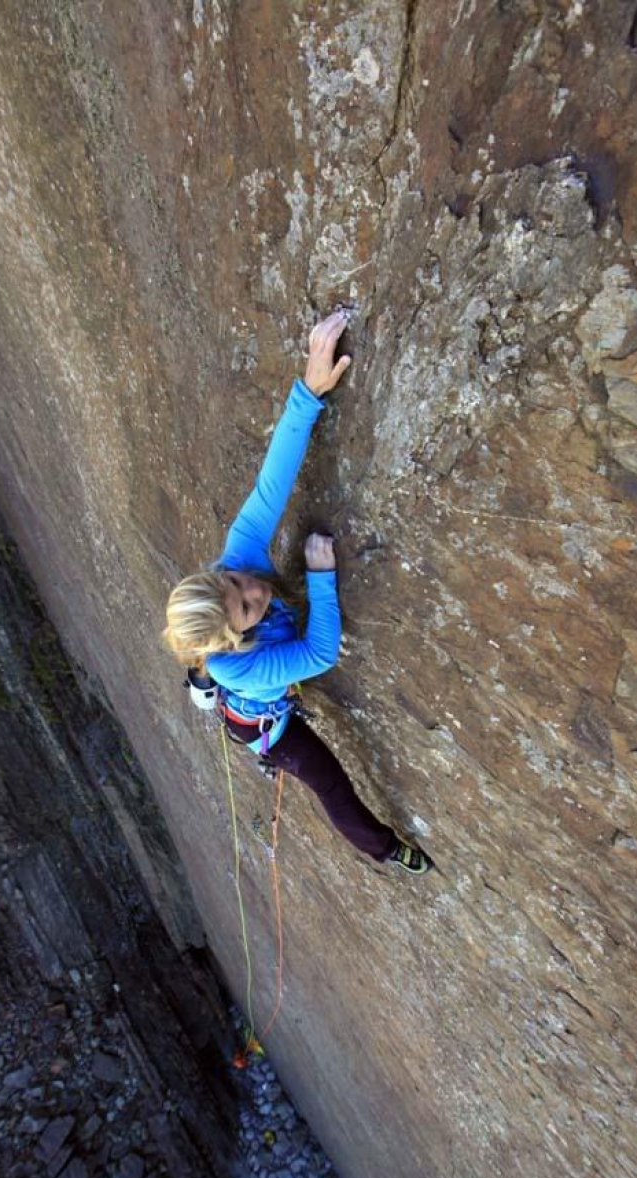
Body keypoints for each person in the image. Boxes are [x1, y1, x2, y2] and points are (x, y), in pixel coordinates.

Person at [164, 308, 432, 875]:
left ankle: (199, 679)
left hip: (241, 684)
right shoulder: (239, 666)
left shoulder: (236, 559)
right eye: (246, 606)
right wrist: (320, 579)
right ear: (232, 639)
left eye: (234, 582)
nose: (253, 586)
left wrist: (308, 391)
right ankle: (389, 850)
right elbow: (318, 653)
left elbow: (272, 483)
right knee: (333, 789)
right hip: (269, 728)